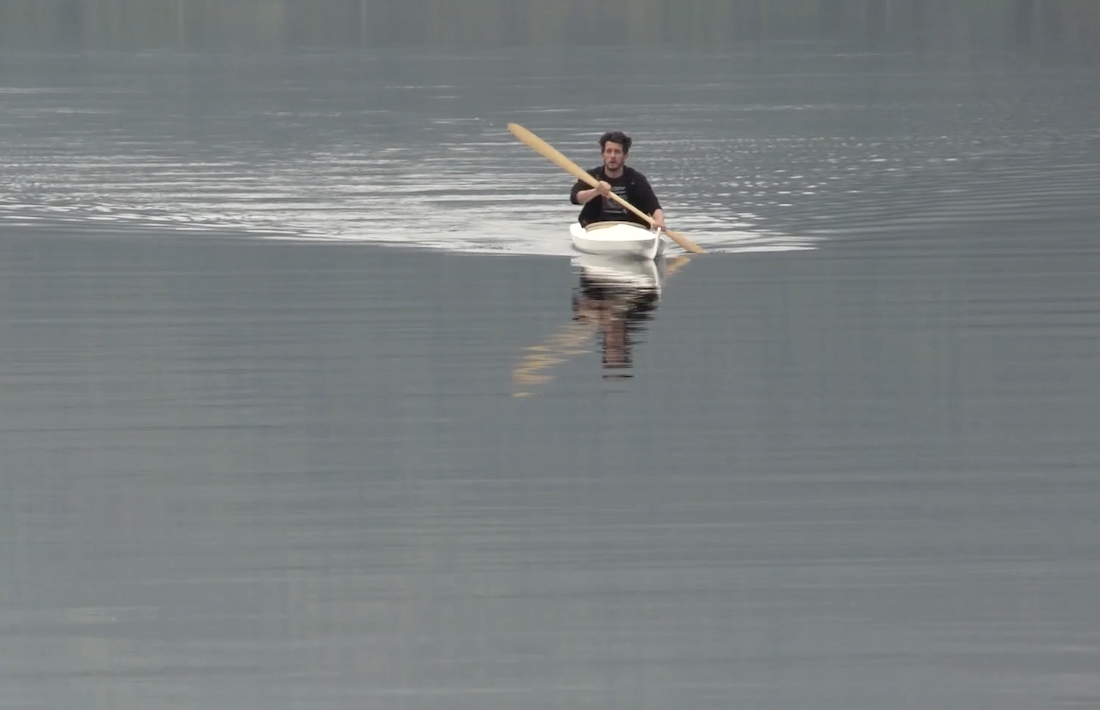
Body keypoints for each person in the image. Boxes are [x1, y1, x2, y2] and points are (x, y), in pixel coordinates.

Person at [570, 131, 666, 231]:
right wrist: (596, 191)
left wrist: (659, 220)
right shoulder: (592, 177)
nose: (612, 156)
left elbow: (653, 206)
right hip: (596, 229)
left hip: (632, 229)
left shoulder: (636, 179)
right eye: (609, 151)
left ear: (625, 157)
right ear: (603, 155)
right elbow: (575, 198)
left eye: (617, 152)